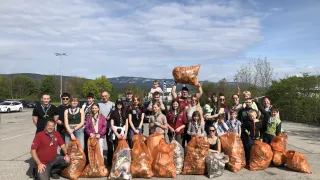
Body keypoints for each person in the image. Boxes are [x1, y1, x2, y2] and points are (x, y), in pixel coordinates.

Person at [98, 91, 115, 166]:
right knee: (99, 144)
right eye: (103, 96)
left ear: (108, 96)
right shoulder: (99, 104)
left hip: (109, 126)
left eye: (106, 96)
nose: (104, 97)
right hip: (100, 126)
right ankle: (99, 161)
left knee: (110, 144)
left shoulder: (112, 104)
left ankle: (110, 163)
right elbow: (96, 113)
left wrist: (110, 117)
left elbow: (115, 114)